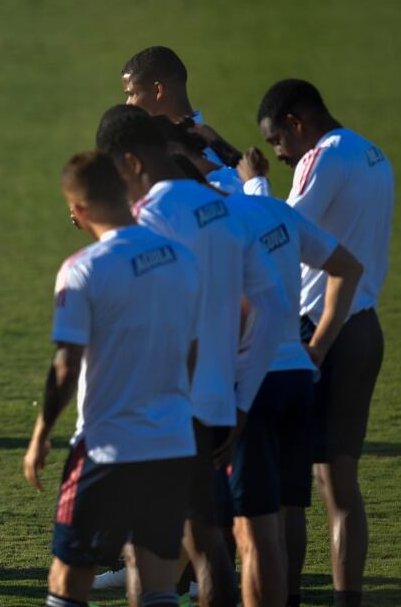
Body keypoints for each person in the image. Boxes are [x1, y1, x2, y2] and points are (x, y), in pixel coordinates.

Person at [96, 105, 287, 607]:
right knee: (207, 547)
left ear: (132, 163)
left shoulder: (149, 218)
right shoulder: (224, 209)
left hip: (161, 404)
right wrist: (242, 399)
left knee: (147, 553)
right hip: (218, 403)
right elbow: (272, 308)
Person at [239, 79, 394, 607]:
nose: (280, 155)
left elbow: (278, 231)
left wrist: (252, 185)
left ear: (297, 123)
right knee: (341, 487)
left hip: (318, 329)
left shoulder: (321, 158)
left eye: (278, 141)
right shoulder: (374, 155)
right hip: (366, 325)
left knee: (289, 493)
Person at [24, 151, 199, 607]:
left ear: (78, 210)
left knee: (68, 577)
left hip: (107, 447)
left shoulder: (84, 268)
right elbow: (196, 349)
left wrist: (41, 434)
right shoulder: (183, 259)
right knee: (157, 577)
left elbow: (66, 365)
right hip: (172, 443)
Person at [120, 46, 241, 167]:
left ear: (158, 90)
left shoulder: (183, 160)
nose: (128, 103)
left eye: (131, 94)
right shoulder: (217, 146)